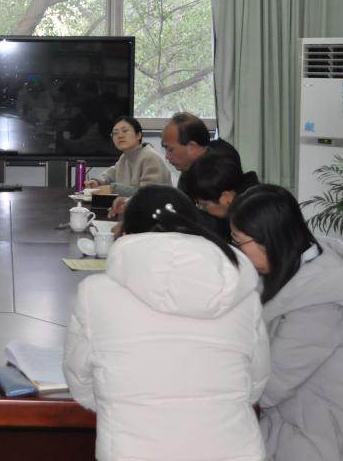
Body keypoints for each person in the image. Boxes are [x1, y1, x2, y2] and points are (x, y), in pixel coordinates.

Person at [64, 184, 269, 461]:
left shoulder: (95, 294)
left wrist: (122, 405)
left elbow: (81, 383)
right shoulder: (243, 295)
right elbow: (255, 383)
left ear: (125, 233)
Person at [228, 185, 343, 461]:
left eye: (238, 240)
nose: (237, 251)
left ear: (270, 240)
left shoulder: (319, 307)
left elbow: (269, 389)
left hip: (334, 427)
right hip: (301, 406)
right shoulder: (293, 264)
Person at [181, 149, 260, 239]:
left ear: (226, 197)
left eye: (204, 205)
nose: (203, 210)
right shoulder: (253, 203)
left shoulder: (253, 225)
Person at [84, 116, 170, 197]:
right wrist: (96, 182)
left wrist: (113, 189)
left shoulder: (150, 157)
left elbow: (148, 194)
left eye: (125, 131)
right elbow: (111, 173)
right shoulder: (125, 157)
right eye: (115, 133)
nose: (120, 136)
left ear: (138, 135)